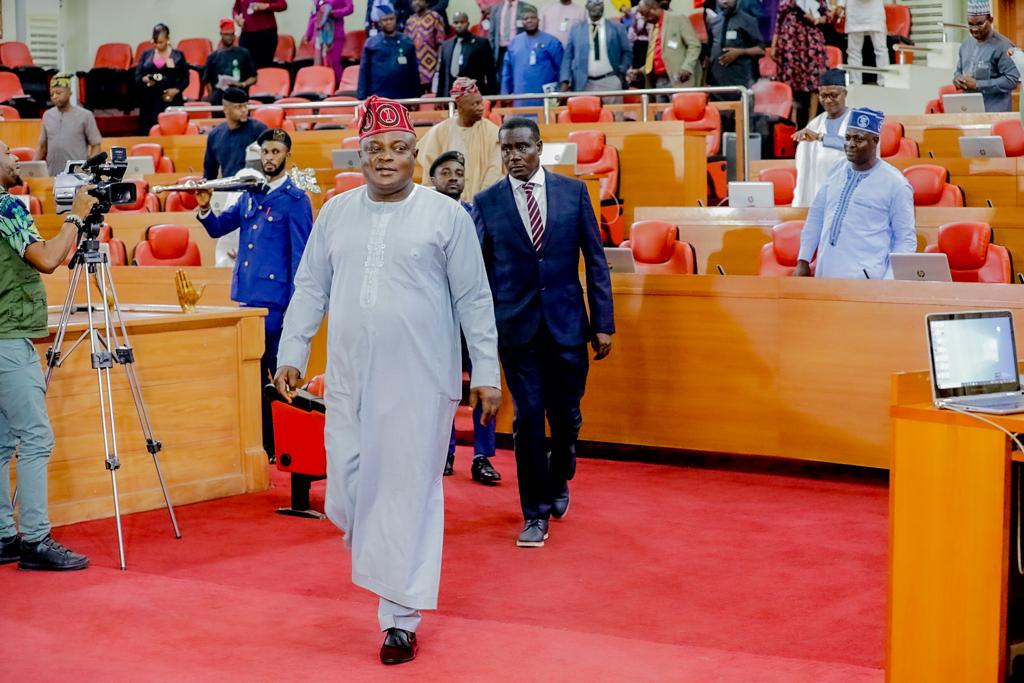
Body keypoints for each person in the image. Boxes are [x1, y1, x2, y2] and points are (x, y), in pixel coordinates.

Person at [273, 96, 501, 665]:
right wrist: (292, 350)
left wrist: (486, 371)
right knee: (347, 491)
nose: (386, 158)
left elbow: (475, 299)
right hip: (349, 378)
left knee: (406, 495)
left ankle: (399, 618)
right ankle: (382, 562)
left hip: (420, 382)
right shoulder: (336, 212)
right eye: (374, 148)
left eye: (398, 148)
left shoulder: (446, 216)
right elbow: (310, 287)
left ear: (414, 155)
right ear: (360, 154)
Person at [472, 118, 614, 547]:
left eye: (522, 147)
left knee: (566, 417)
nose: (514, 156)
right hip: (516, 329)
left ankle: (561, 468)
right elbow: (479, 275)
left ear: (539, 147)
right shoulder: (487, 202)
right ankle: (534, 513)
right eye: (506, 149)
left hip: (568, 325)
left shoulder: (574, 193)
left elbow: (595, 260)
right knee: (529, 418)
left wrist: (603, 323)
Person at [0, 140, 97, 571]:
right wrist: (75, 217)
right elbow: (47, 259)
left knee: (2, 442)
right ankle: (35, 540)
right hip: (8, 338)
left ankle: (4, 536)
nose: (17, 158)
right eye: (7, 153)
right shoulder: (7, 207)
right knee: (36, 437)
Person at [197, 128, 313, 461]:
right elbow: (219, 227)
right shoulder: (250, 193)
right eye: (265, 152)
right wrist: (205, 208)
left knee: (281, 374)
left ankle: (292, 443)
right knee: (253, 376)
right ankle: (265, 443)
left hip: (277, 302)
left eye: (276, 152)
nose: (269, 158)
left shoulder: (295, 200)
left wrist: (297, 305)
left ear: (287, 155)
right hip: (247, 298)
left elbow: (301, 256)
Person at [429, 150, 502, 484]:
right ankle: (443, 452)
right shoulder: (423, 218)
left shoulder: (477, 215)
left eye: (459, 172)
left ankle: (482, 456)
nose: (453, 178)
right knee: (440, 386)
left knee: (482, 380)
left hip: (472, 314)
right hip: (436, 316)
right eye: (446, 172)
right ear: (432, 179)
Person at [794, 107, 916, 279]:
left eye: (859, 139)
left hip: (867, 280)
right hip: (826, 273)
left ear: (875, 141)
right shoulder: (836, 169)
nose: (850, 144)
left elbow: (905, 240)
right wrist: (803, 260)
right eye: (847, 137)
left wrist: (890, 282)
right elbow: (816, 216)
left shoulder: (896, 183)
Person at [418, 78, 502, 201]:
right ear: (461, 106)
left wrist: (479, 202)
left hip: (483, 202)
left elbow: (495, 172)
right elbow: (431, 174)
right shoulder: (439, 132)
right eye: (475, 104)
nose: (481, 108)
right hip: (446, 203)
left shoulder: (493, 133)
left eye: (481, 102)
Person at [792, 69, 852, 207]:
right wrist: (799, 205)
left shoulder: (858, 120)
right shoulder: (814, 125)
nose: (828, 100)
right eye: (823, 95)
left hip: (851, 199)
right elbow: (804, 171)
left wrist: (820, 137)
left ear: (845, 93)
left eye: (833, 95)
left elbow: (860, 147)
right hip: (821, 199)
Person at [953, 0, 1020, 113]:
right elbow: (959, 71)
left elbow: (1012, 80)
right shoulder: (965, 45)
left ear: (991, 20)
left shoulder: (1004, 46)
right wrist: (957, 79)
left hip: (995, 113)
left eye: (980, 24)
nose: (974, 29)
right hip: (968, 111)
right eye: (970, 24)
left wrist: (978, 84)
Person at [628, 0, 701, 99]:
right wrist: (641, 71)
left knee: (681, 108)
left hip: (680, 79)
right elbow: (657, 55)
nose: (645, 19)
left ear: (653, 9)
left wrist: (687, 67)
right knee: (661, 109)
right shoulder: (653, 27)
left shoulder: (677, 18)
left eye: (645, 15)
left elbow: (694, 45)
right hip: (659, 81)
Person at [560, 0, 632, 99]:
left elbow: (627, 52)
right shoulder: (576, 29)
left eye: (599, 2)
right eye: (593, 2)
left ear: (603, 6)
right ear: (586, 6)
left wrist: (621, 72)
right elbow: (568, 57)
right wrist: (565, 80)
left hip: (610, 81)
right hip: (583, 84)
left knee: (613, 110)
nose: (597, 5)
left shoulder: (617, 27)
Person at [774, 0, 830, 127]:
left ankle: (812, 122)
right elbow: (779, 19)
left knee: (815, 80)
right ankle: (793, 121)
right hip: (791, 41)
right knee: (791, 79)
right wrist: (774, 45)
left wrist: (816, 20)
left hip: (812, 41)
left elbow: (827, 17)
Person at [35, 74, 102, 177]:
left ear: (69, 92)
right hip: (53, 175)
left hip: (78, 176)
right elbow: (42, 147)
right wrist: (32, 166)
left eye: (58, 93)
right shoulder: (47, 115)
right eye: (52, 94)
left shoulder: (85, 115)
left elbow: (96, 145)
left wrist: (87, 167)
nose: (54, 97)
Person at [500, 8, 564, 106]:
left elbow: (562, 68)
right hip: (520, 98)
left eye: (533, 17)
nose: (529, 20)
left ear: (538, 20)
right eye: (526, 19)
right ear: (522, 22)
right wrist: (505, 93)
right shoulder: (514, 42)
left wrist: (561, 91)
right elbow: (507, 71)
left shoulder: (551, 42)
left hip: (545, 97)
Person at [203, 87, 269, 180]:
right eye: (238, 107)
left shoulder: (259, 130)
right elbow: (209, 171)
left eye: (245, 106)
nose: (244, 110)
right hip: (229, 186)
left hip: (256, 186)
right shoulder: (215, 135)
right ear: (226, 109)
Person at [358, 5, 422, 100]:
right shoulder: (371, 43)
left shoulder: (407, 41)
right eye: (385, 20)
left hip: (404, 95)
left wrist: (416, 95)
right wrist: (362, 97)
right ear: (379, 23)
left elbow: (414, 70)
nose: (389, 22)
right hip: (378, 95)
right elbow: (364, 72)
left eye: (391, 19)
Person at [134, 23, 189, 134]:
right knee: (150, 130)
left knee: (172, 131)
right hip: (150, 101)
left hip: (170, 99)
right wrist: (145, 80)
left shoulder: (178, 55)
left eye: (161, 42)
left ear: (167, 39)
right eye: (155, 42)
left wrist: (176, 90)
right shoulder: (146, 55)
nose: (158, 45)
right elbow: (137, 76)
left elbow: (185, 79)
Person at [706, 0, 765, 90]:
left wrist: (740, 52)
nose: (725, 1)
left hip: (741, 81)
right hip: (717, 81)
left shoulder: (748, 20)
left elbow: (761, 50)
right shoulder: (714, 22)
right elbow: (710, 53)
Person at [436, 12, 498, 97]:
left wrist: (492, 96)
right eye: (456, 23)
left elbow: (490, 72)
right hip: (450, 94)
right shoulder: (446, 45)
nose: (459, 25)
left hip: (473, 94)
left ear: (468, 23)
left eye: (462, 22)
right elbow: (442, 75)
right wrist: (439, 97)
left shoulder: (481, 43)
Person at [203, 18, 258, 105]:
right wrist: (211, 96)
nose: (229, 37)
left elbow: (253, 77)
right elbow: (207, 80)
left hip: (239, 95)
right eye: (226, 34)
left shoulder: (243, 53)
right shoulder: (213, 56)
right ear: (221, 34)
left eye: (231, 34)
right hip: (219, 97)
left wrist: (242, 84)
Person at [834, 0, 888, 85]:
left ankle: (884, 81)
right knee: (854, 51)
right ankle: (855, 82)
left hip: (875, 12)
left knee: (880, 49)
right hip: (854, 13)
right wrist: (841, 5)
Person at [302, 0, 355, 83]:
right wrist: (308, 33)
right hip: (319, 36)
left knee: (333, 63)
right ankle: (321, 86)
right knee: (319, 65)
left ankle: (338, 86)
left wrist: (333, 12)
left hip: (335, 34)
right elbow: (313, 15)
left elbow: (350, 8)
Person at [404, 0, 447, 93]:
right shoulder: (410, 21)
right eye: (413, 0)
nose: (416, 3)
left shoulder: (435, 17)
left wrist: (439, 65)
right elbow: (406, 45)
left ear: (426, 2)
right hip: (415, 69)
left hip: (431, 68)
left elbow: (441, 44)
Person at [233, 0, 288, 69]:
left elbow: (283, 5)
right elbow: (235, 9)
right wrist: (237, 18)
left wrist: (265, 6)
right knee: (245, 64)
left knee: (263, 66)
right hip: (247, 34)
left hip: (265, 34)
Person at [490, 0, 537, 72]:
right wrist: (491, 51)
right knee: (502, 75)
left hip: (520, 49)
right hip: (501, 51)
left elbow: (533, 31)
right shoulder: (496, 8)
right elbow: (492, 32)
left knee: (519, 74)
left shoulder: (527, 7)